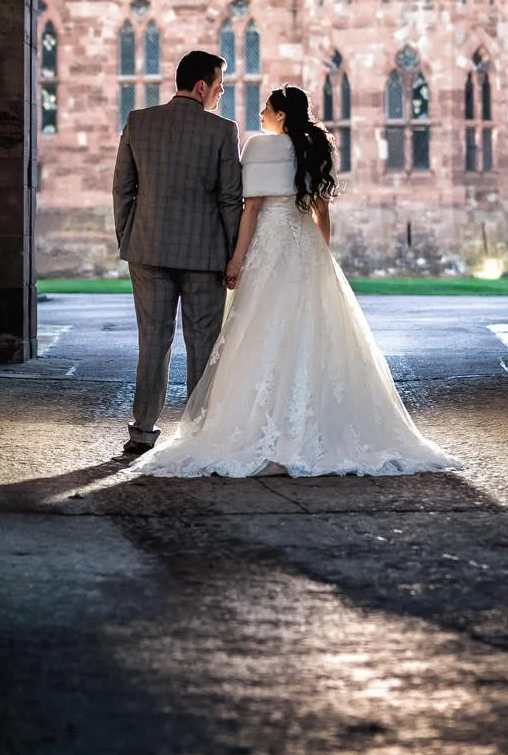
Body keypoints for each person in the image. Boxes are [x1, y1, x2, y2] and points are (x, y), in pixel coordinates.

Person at [131, 84, 460, 478]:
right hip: (304, 247)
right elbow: (322, 212)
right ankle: (318, 425)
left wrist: (235, 260)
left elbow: (250, 209)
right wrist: (322, 253)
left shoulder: (257, 147)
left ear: (281, 115)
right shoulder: (316, 148)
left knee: (258, 332)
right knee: (312, 332)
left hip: (267, 249)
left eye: (266, 109)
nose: (260, 114)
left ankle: (255, 423)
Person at [111, 49, 243, 455]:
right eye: (219, 86)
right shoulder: (222, 131)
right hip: (205, 256)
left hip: (147, 249)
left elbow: (122, 189)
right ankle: (198, 435)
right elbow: (229, 198)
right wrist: (234, 254)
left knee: (153, 340)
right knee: (203, 344)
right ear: (201, 87)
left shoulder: (139, 121)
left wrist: (130, 238)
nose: (220, 94)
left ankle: (143, 431)